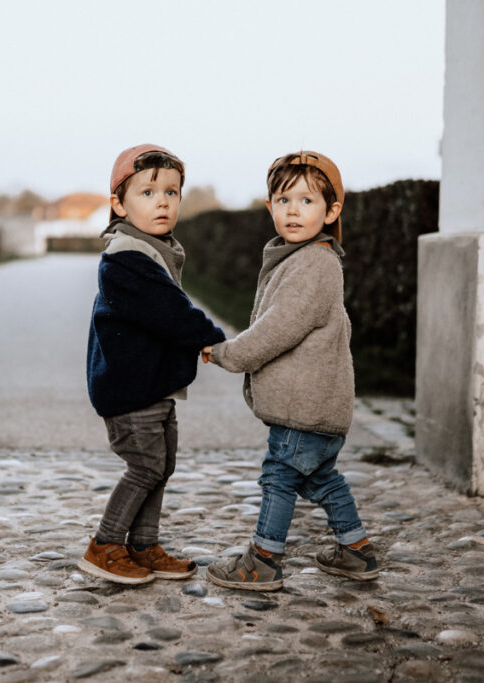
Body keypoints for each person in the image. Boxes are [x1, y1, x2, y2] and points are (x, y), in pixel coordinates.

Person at [201, 150, 379, 591]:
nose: (293, 210)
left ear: (331, 210)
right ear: (270, 208)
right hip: (318, 406)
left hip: (304, 407)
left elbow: (279, 327)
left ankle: (262, 559)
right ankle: (356, 551)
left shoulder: (315, 264)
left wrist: (230, 354)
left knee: (278, 476)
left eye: (306, 201)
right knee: (321, 478)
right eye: (283, 201)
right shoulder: (300, 257)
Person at [79, 144, 227, 585]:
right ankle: (104, 545)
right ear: (119, 204)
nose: (162, 201)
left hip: (154, 386)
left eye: (172, 192)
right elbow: (170, 312)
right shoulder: (125, 258)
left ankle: (143, 545)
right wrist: (215, 341)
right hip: (130, 390)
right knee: (144, 467)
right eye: (147, 192)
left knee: (162, 466)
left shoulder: (155, 249)